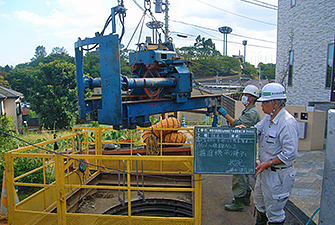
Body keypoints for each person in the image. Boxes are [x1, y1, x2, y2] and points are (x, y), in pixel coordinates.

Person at [241, 83, 299, 225]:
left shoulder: (287, 123)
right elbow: (255, 131)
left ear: (276, 103)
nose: (261, 105)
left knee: (275, 212)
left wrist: (268, 163)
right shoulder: (268, 119)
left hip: (278, 176)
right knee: (260, 203)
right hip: (265, 172)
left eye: (265, 102)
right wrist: (244, 130)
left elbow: (290, 154)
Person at [218, 85, 261, 211]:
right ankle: (245, 198)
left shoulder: (252, 113)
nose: (244, 97)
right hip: (246, 148)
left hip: (243, 149)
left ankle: (239, 201)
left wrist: (225, 114)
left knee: (239, 174)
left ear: (252, 98)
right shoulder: (249, 111)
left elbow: (237, 124)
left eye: (247, 95)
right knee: (244, 174)